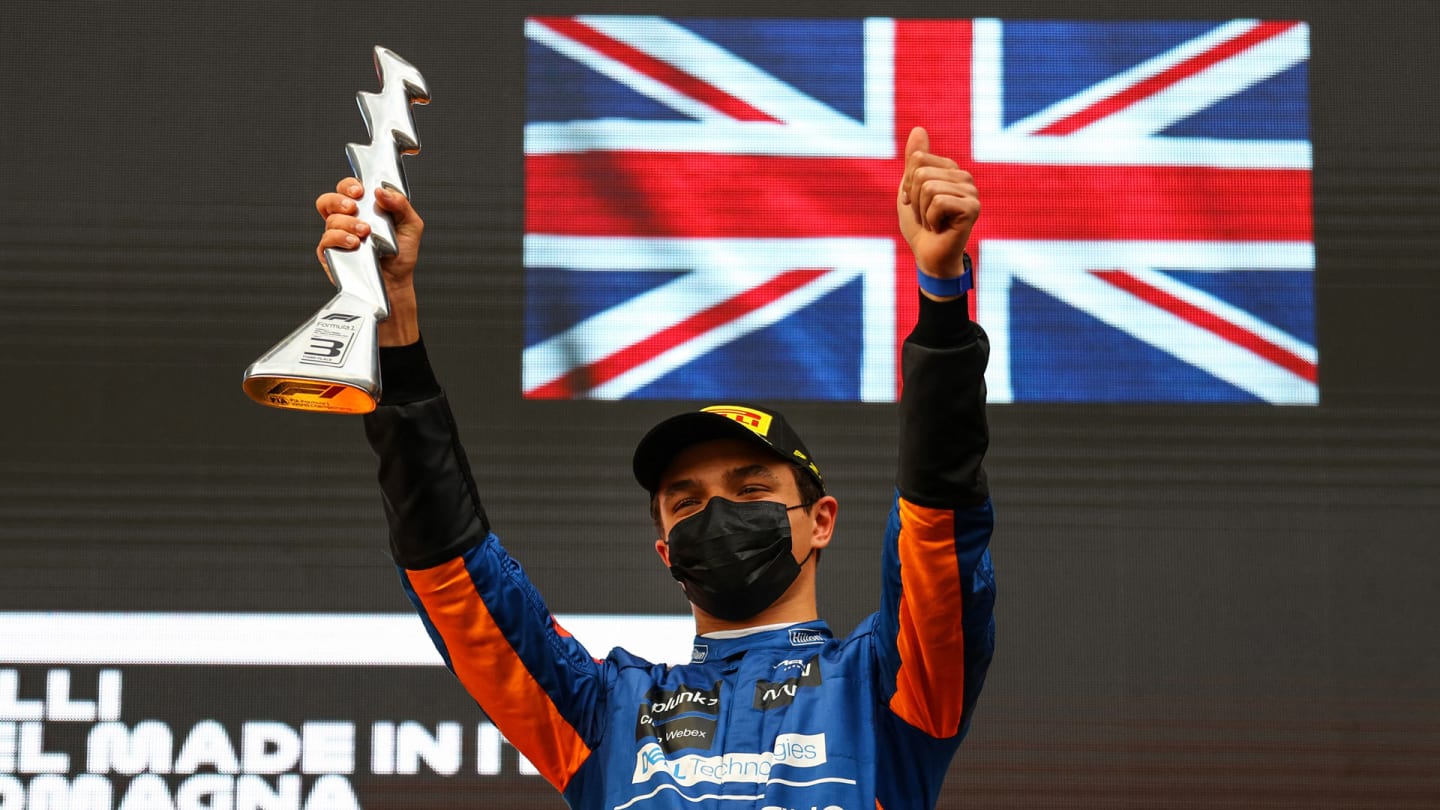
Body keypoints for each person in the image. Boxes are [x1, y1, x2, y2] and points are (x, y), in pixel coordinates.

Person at [314, 126, 996, 809]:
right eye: (687, 500)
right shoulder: (604, 713)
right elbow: (455, 581)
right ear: (666, 550)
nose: (719, 511)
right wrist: (392, 321)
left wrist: (941, 299)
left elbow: (937, 529)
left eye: (751, 487)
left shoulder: (888, 684)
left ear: (821, 520)